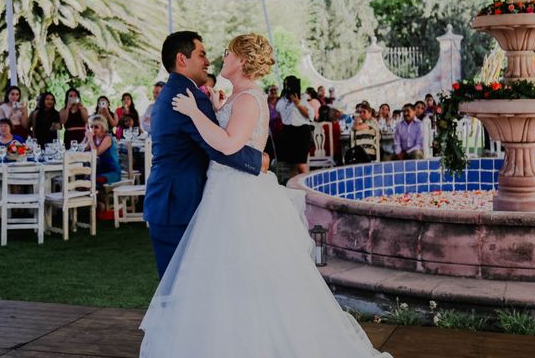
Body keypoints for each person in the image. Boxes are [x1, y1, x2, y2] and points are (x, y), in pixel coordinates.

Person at [140, 33, 391, 358]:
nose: (214, 58)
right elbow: (218, 142)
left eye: (226, 53)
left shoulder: (227, 97)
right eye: (203, 53)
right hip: (198, 195)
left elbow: (226, 144)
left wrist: (252, 155)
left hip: (228, 194)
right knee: (213, 279)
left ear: (241, 60)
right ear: (181, 59)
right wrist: (253, 156)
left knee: (232, 275)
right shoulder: (193, 95)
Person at [143, 31, 264, 279]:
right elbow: (217, 148)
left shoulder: (178, 92)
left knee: (184, 286)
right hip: (177, 203)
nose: (209, 61)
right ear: (182, 59)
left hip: (173, 199)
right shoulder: (186, 96)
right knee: (179, 287)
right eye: (202, 54)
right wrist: (258, 160)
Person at [276, 75, 314, 177]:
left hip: (302, 133)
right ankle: (294, 189)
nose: (287, 86)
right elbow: (278, 112)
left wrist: (298, 104)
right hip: (288, 132)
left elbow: (310, 116)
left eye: (288, 84)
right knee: (291, 165)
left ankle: (306, 186)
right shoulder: (282, 100)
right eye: (285, 84)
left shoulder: (303, 99)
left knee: (301, 165)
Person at [85, 115, 121, 189]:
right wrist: (87, 139)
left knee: (94, 181)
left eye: (96, 127)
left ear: (103, 127)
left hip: (111, 171)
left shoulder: (107, 138)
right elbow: (84, 150)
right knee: (84, 180)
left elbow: (96, 153)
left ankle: (100, 199)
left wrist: (91, 140)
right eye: (91, 127)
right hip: (99, 170)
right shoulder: (94, 137)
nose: (93, 129)